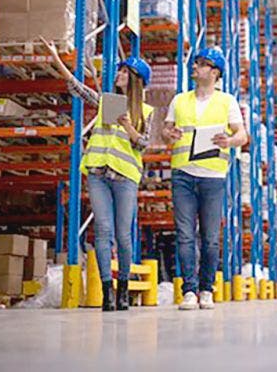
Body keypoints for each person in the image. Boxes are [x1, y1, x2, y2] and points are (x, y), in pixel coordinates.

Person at [44, 39, 152, 312]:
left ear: (136, 79)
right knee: (103, 232)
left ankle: (124, 288)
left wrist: (128, 125)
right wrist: (58, 60)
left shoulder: (146, 112)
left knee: (123, 235)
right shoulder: (109, 102)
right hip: (98, 173)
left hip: (125, 178)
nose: (118, 75)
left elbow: (143, 144)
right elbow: (79, 90)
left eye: (124, 72)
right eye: (120, 71)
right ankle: (108, 292)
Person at [162, 47, 248, 310]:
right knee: (185, 235)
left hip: (213, 176)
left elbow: (242, 136)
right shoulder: (179, 100)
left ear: (215, 72)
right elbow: (166, 132)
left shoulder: (227, 101)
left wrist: (229, 140)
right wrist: (169, 134)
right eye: (195, 63)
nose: (195, 67)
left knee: (210, 237)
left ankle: (206, 289)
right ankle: (189, 290)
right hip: (183, 174)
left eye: (202, 64)